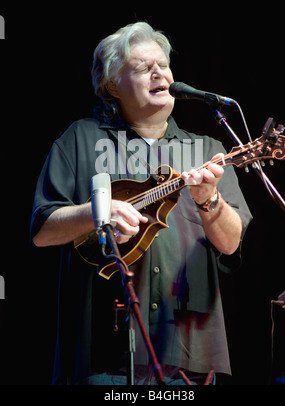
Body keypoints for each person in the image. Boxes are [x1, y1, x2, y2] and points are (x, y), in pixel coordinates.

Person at [30, 21, 252, 385]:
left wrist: (208, 198)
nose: (158, 73)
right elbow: (41, 230)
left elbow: (229, 243)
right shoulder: (80, 139)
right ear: (113, 85)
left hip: (189, 354)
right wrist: (97, 213)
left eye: (163, 65)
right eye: (142, 68)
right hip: (101, 356)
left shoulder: (208, 152)